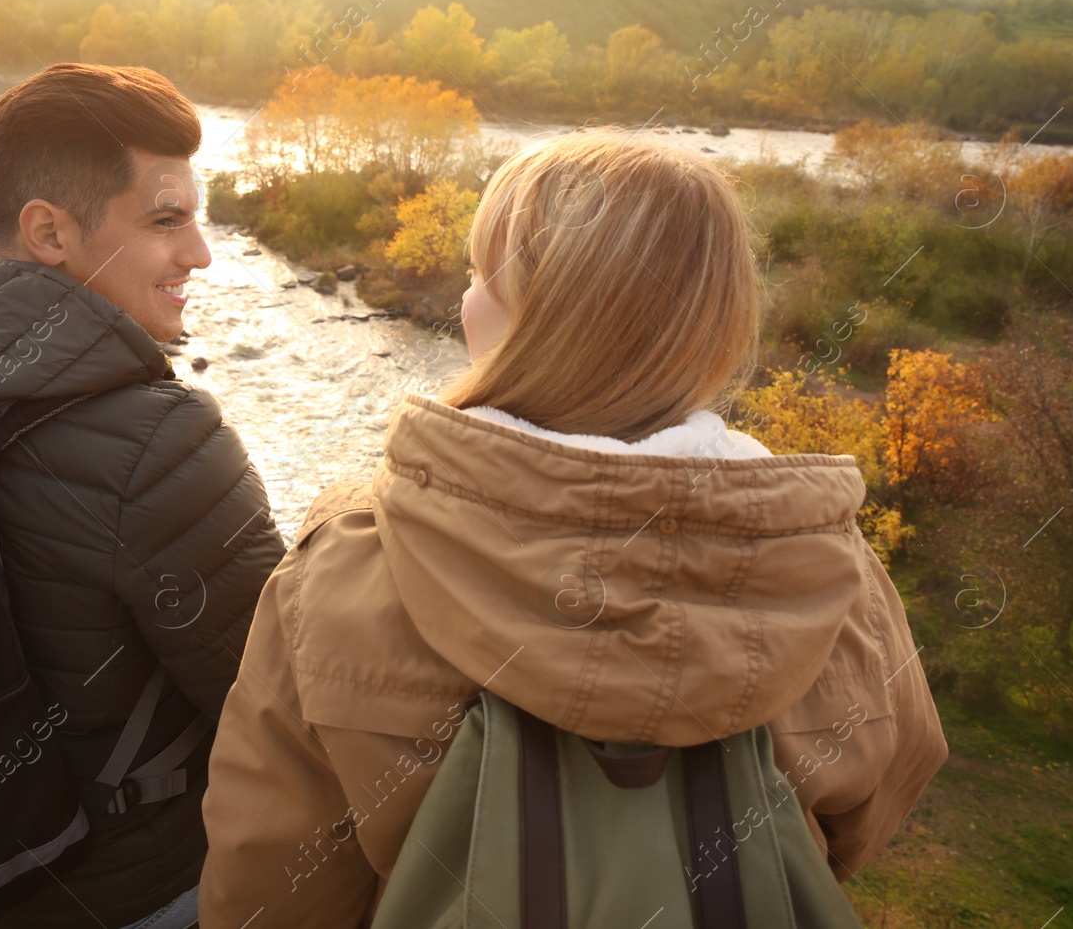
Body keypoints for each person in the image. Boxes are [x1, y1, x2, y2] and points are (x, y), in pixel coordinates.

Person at [197, 129, 948, 927]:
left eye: (481, 276)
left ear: (546, 325)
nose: (462, 299)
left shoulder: (350, 559)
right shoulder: (824, 566)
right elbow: (879, 798)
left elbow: (270, 881)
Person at [0, 63, 286, 929]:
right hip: (127, 894)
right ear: (49, 232)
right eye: (167, 219)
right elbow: (286, 711)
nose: (201, 252)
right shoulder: (160, 443)